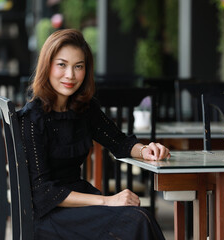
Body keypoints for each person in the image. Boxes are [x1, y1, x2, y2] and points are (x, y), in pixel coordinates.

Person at [18, 29, 170, 240]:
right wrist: (108, 200)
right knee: (135, 221)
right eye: (62, 64)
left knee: (140, 216)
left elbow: (119, 142)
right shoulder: (31, 118)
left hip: (81, 204)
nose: (70, 75)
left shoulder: (84, 109)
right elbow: (44, 193)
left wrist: (146, 150)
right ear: (47, 66)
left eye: (78, 66)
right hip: (49, 215)